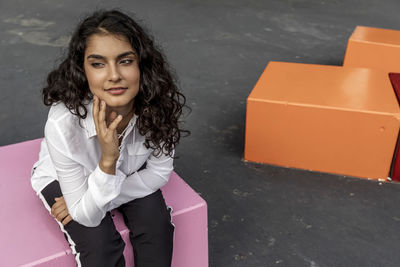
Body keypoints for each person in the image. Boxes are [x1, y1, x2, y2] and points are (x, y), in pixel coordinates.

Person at [30, 9, 188, 267]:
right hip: (65, 178)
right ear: (83, 70)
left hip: (128, 175)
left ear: (142, 65)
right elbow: (89, 218)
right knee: (100, 245)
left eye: (125, 61)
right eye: (98, 63)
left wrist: (95, 199)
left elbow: (158, 173)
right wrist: (106, 163)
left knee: (156, 228)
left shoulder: (159, 106)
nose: (114, 75)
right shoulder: (63, 122)